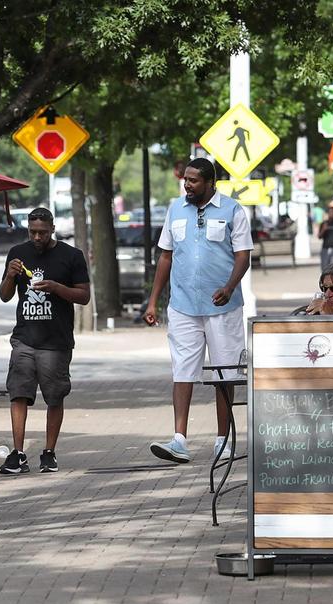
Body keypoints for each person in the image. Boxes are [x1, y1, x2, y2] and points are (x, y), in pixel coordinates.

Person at [143, 158, 252, 464]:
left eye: (192, 180)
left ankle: (223, 440)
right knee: (182, 369)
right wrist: (154, 301)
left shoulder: (232, 210)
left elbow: (243, 256)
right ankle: (179, 440)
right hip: (183, 305)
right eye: (185, 180)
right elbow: (166, 256)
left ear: (209, 183)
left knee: (225, 372)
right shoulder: (176, 209)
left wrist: (230, 287)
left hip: (223, 307)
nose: (187, 185)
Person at [0, 207, 91, 474]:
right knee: (18, 393)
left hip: (56, 341)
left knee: (54, 397)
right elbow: (5, 296)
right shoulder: (17, 253)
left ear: (52, 229)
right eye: (32, 232)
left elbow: (84, 296)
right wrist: (9, 276)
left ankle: (49, 452)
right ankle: (18, 454)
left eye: (42, 232)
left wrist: (56, 288)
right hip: (24, 338)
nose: (37, 237)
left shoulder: (71, 256)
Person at [319, 203, 333, 270]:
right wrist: (323, 229)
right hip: (325, 247)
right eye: (330, 212)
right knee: (324, 267)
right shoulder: (324, 223)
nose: (331, 214)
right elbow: (319, 236)